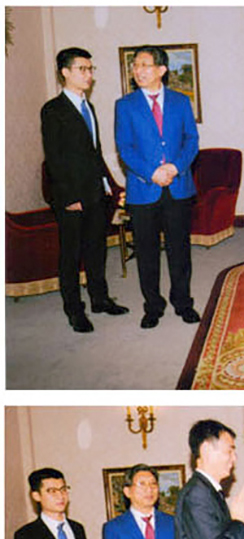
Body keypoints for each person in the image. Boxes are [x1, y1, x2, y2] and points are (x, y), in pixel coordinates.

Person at [41, 47, 129, 333]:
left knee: (96, 249)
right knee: (71, 255)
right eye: (82, 69)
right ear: (65, 72)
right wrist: (69, 198)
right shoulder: (53, 110)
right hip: (71, 198)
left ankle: (99, 299)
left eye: (91, 69)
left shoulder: (87, 106)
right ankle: (74, 310)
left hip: (95, 193)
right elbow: (54, 158)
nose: (89, 74)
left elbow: (94, 152)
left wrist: (106, 185)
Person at [115, 45, 201, 330]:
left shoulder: (181, 101)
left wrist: (175, 167)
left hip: (178, 186)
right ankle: (153, 306)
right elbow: (125, 148)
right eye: (135, 65)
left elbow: (191, 140)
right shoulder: (125, 105)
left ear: (162, 70)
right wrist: (151, 172)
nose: (138, 70)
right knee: (147, 252)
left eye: (144, 65)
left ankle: (183, 302)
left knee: (180, 250)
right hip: (143, 189)